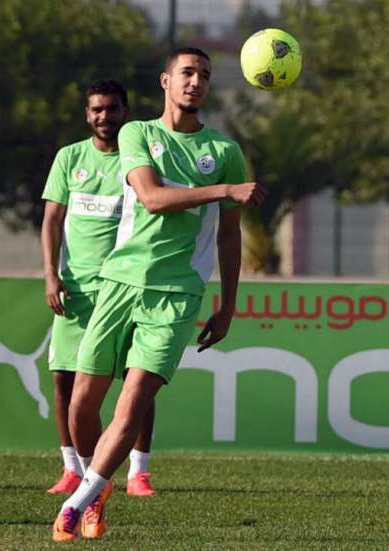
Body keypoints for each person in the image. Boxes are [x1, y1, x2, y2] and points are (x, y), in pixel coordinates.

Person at [51, 47, 268, 542]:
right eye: (187, 73)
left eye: (205, 76)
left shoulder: (225, 152)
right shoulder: (138, 133)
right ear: (166, 81)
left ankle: (80, 500)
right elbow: (151, 197)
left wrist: (228, 304)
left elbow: (228, 236)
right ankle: (97, 484)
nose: (196, 82)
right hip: (119, 282)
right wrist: (223, 191)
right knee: (82, 406)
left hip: (176, 294)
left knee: (132, 403)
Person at [41, 80, 158, 498]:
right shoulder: (70, 158)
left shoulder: (138, 159)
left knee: (136, 379)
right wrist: (51, 275)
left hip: (123, 288)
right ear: (87, 114)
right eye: (96, 110)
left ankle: (138, 473)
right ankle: (73, 467)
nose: (104, 117)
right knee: (63, 378)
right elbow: (52, 219)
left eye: (111, 109)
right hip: (75, 291)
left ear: (125, 110)